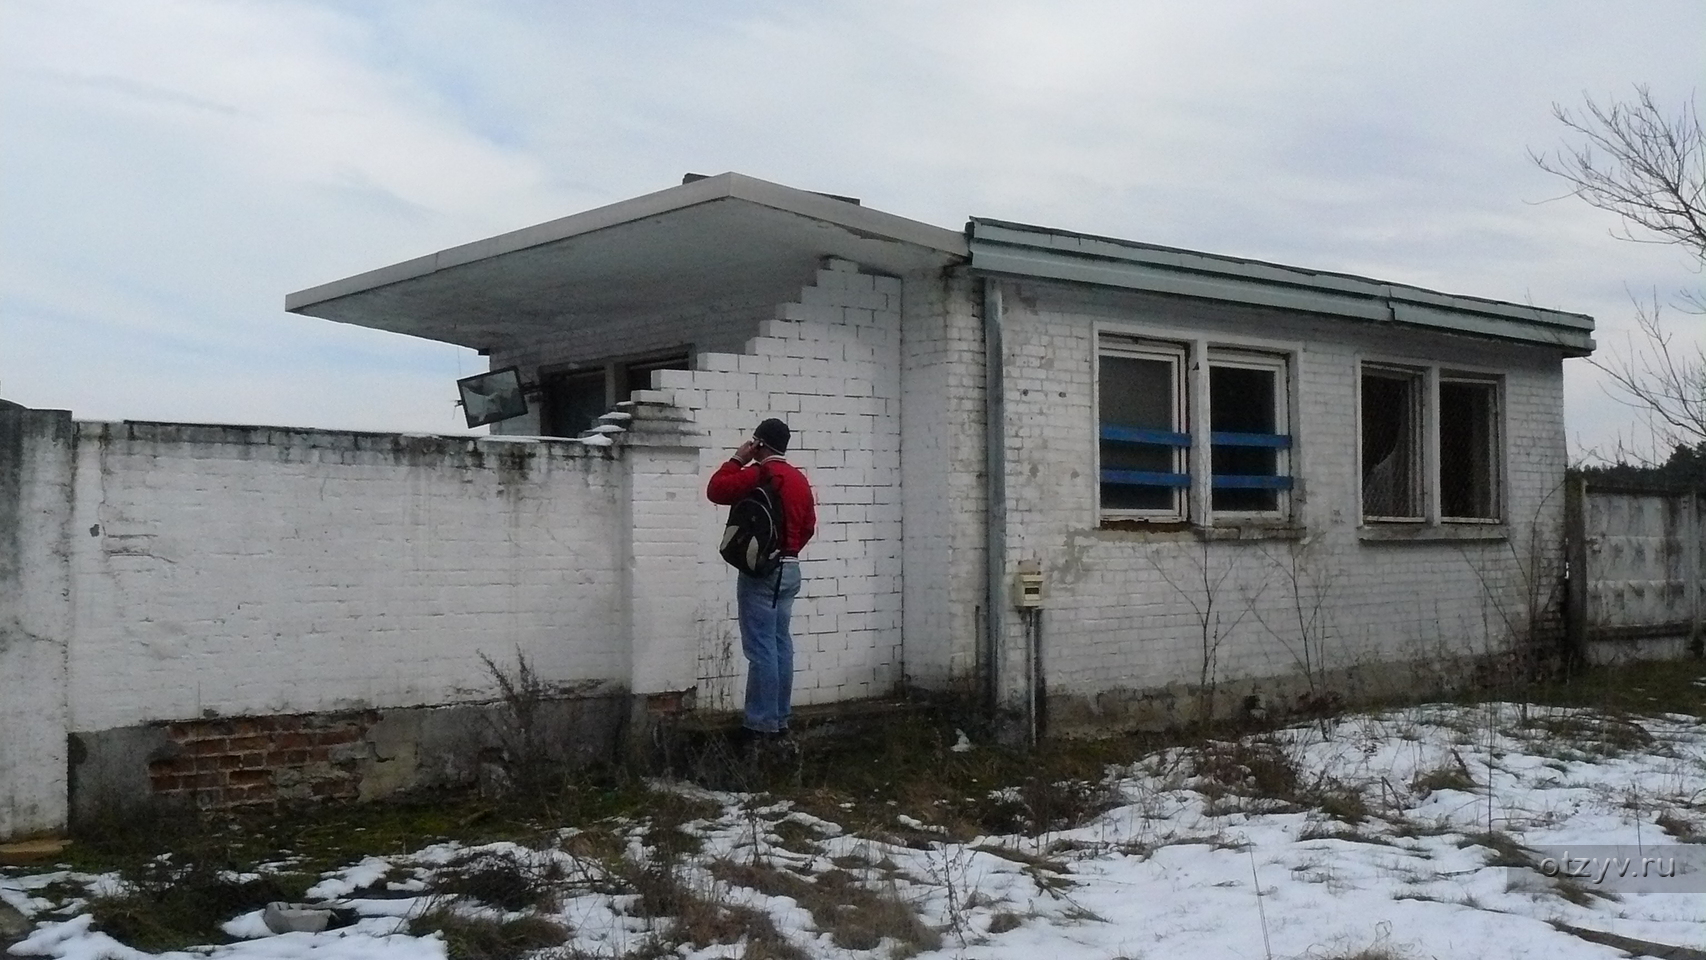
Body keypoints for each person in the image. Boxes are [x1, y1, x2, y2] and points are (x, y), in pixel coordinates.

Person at [706, 418, 816, 745]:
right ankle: (780, 719)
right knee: (781, 644)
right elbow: (809, 525)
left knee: (761, 648)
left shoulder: (761, 474)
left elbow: (716, 489)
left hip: (763, 573)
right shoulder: (799, 479)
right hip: (791, 568)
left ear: (760, 444)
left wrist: (738, 458)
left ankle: (760, 725)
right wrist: (788, 550)